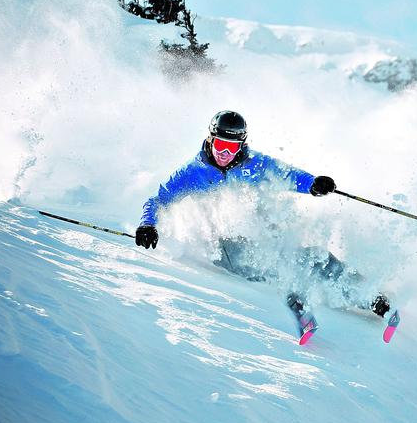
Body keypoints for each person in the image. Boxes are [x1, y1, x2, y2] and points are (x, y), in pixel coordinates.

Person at [135, 110, 391, 329]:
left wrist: (314, 184)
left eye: (232, 147)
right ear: (210, 139)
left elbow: (289, 176)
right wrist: (148, 224)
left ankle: (368, 296)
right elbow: (158, 200)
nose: (225, 153)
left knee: (313, 258)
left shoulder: (255, 164)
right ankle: (289, 286)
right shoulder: (193, 172)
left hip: (258, 235)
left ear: (242, 145)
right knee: (248, 255)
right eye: (220, 145)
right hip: (223, 246)